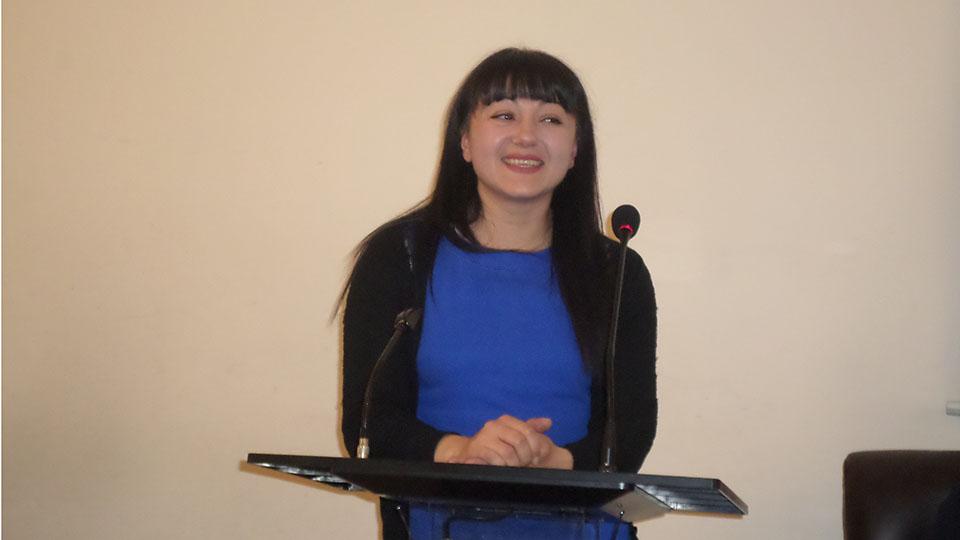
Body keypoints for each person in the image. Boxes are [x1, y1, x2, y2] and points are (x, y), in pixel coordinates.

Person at [339, 47, 657, 539]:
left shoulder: (616, 271)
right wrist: (460, 451)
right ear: (465, 141)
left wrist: (557, 460)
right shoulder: (399, 257)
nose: (527, 135)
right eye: (504, 115)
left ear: (575, 149)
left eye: (550, 119)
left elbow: (630, 427)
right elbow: (368, 422)